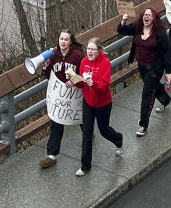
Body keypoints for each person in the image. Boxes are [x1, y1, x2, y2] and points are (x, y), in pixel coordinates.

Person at [116, 8, 171, 137]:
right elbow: (121, 30)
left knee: (147, 94)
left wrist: (168, 72)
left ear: (153, 18)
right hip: (142, 66)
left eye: (149, 15)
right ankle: (165, 99)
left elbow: (167, 53)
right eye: (144, 15)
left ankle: (143, 124)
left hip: (155, 67)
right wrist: (124, 21)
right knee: (153, 87)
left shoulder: (160, 33)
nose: (146, 17)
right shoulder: (138, 27)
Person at [75, 38, 124, 176]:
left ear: (99, 51)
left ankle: (118, 139)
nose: (89, 52)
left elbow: (104, 85)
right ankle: (85, 166)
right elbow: (80, 83)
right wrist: (74, 79)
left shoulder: (105, 63)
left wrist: (93, 83)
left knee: (104, 130)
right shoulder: (84, 62)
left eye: (92, 49)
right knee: (87, 133)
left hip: (103, 103)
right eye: (88, 49)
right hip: (88, 102)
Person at [38, 29, 85, 169]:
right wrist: (46, 66)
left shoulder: (78, 56)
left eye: (66, 39)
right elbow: (48, 76)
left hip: (75, 94)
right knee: (56, 123)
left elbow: (84, 73)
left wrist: (75, 80)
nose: (63, 42)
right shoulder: (54, 56)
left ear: (71, 42)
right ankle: (51, 155)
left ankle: (88, 134)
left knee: (82, 118)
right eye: (61, 39)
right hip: (60, 98)